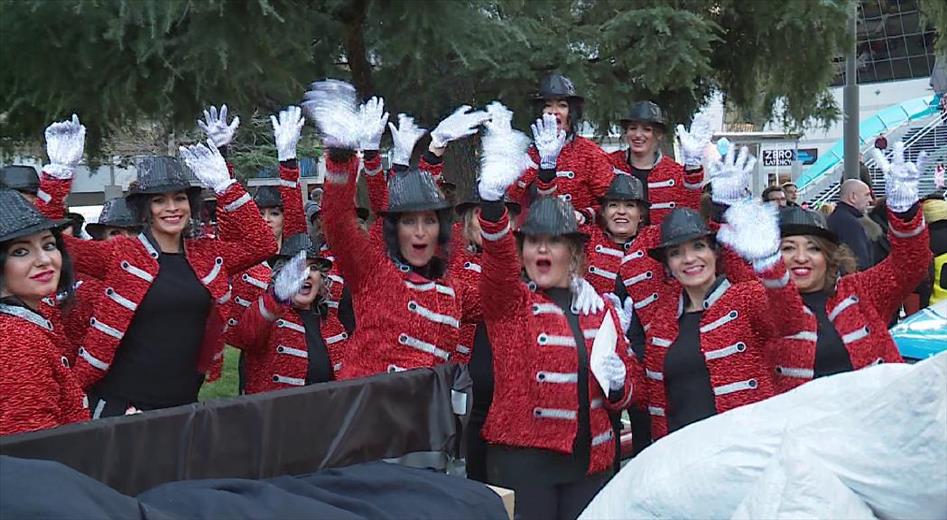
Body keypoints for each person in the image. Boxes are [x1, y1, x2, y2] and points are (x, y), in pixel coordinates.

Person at [35, 115, 277, 417]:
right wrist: (58, 176)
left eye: (179, 198)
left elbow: (262, 244)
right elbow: (51, 243)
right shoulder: (120, 253)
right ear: (146, 209)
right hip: (123, 407)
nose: (172, 208)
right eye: (159, 200)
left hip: (183, 406)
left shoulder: (207, 254)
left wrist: (226, 185)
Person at [474, 111, 633, 520]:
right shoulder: (510, 302)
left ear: (575, 253)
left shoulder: (598, 308)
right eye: (533, 243)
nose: (542, 251)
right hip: (526, 464)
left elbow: (631, 391)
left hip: (591, 464)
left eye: (555, 243)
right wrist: (492, 206)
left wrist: (620, 387)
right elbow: (495, 256)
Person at [631, 148, 807, 441]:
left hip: (742, 451)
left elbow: (790, 322)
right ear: (668, 265)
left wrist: (769, 263)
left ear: (715, 251)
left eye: (698, 247)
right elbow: (652, 394)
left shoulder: (745, 297)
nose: (689, 259)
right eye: (676, 253)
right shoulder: (663, 320)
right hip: (681, 456)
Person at [304, 82, 476, 378]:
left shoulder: (453, 288)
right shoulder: (375, 272)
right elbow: (338, 223)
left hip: (426, 419)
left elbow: (504, 297)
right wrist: (342, 156)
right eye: (408, 222)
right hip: (370, 414)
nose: (420, 232)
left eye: (430, 222)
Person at [771, 143, 931, 392]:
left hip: (873, 422)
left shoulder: (858, 291)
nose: (800, 257)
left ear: (829, 255)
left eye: (813, 248)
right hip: (798, 428)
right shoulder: (763, 305)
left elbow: (911, 263)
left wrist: (905, 210)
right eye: (788, 248)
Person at [0, 189, 88, 435]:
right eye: (20, 251)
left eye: (49, 245)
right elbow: (34, 449)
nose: (44, 260)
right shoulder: (15, 341)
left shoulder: (29, 320)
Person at [227, 234, 350, 392]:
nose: (305, 275)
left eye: (312, 268)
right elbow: (246, 336)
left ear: (321, 280)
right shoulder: (268, 314)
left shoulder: (332, 323)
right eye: (297, 268)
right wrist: (277, 297)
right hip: (277, 414)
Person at [506, 73, 615, 218]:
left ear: (572, 113)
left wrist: (585, 215)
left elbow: (613, 204)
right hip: (533, 236)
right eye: (548, 106)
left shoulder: (590, 153)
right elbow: (511, 200)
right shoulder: (525, 153)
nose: (553, 112)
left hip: (580, 235)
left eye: (562, 105)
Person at [608, 101, 711, 226]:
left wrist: (693, 164)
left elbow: (692, 210)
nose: (638, 135)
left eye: (646, 129)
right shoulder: (609, 164)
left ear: (659, 134)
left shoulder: (675, 172)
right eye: (633, 128)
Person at [827, 179, 874, 270]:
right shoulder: (849, 223)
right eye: (867, 195)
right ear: (853, 197)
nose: (870, 200)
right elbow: (860, 262)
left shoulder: (839, 217)